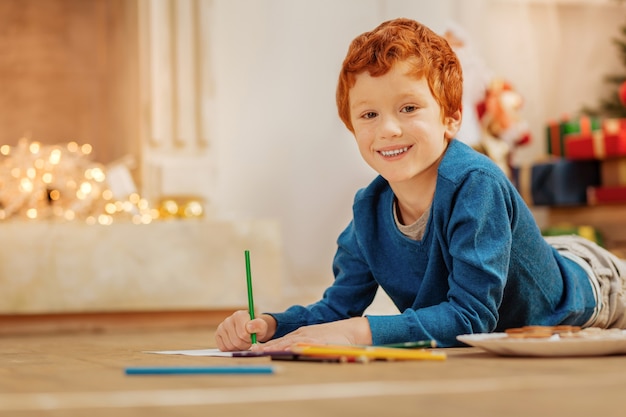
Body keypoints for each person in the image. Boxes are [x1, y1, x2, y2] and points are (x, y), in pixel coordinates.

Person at [215, 17, 626, 351]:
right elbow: (337, 309)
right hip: (518, 265)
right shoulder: (368, 210)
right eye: (369, 115)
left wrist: (360, 332)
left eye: (409, 108)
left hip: (589, 284)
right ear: (352, 127)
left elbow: (471, 319)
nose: (389, 129)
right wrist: (270, 324)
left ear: (451, 118)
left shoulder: (475, 183)